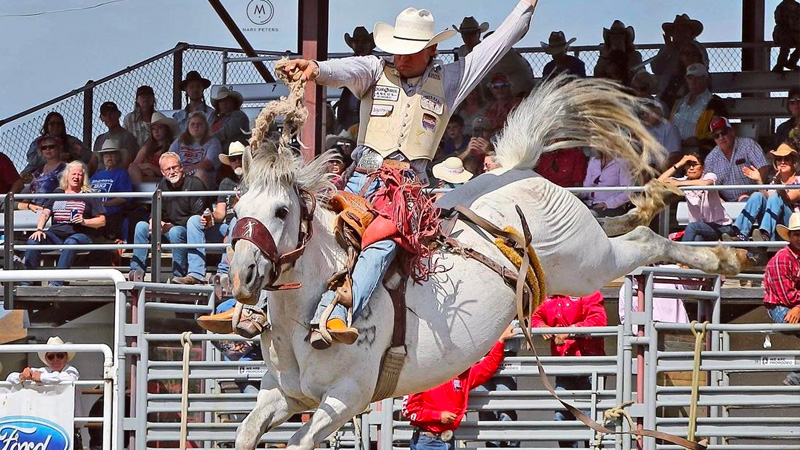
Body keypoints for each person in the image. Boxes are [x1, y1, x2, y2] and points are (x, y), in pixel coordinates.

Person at [280, 0, 538, 349]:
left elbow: (500, 42)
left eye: (410, 52)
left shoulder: (451, 79)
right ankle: (255, 307)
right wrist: (315, 67)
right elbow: (346, 69)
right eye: (397, 51)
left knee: (384, 241)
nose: (400, 58)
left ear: (431, 50)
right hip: (360, 178)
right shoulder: (374, 69)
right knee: (296, 220)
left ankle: (337, 311)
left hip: (405, 189)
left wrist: (526, 6)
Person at [402, 325, 518, 450]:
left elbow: (487, 367)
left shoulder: (461, 375)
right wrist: (438, 416)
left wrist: (500, 341)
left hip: (446, 439)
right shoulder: (423, 375)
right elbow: (409, 410)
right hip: (427, 441)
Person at [530, 291, 607, 448]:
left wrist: (571, 330)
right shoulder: (549, 295)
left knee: (590, 420)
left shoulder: (586, 288)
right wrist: (542, 327)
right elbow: (534, 316)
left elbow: (598, 319)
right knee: (562, 419)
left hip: (589, 366)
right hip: (564, 366)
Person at [21, 161, 106, 286]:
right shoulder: (58, 193)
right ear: (67, 175)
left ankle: (56, 283)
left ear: (84, 177)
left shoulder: (90, 195)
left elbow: (102, 221)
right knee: (33, 241)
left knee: (71, 243)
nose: (76, 177)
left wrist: (84, 221)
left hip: (80, 234)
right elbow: (45, 213)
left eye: (80, 175)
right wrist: (39, 230)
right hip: (56, 234)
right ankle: (25, 283)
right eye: (73, 174)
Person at [174, 142, 245, 285]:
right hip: (226, 228)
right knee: (194, 221)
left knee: (235, 221)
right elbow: (220, 212)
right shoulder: (226, 182)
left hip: (244, 229)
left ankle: (224, 272)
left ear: (246, 159)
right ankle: (195, 274)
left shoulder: (254, 181)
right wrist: (210, 217)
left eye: (240, 158)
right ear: (229, 163)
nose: (237, 162)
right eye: (233, 159)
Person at [128, 152, 207, 282]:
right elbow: (156, 211)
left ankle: (179, 275)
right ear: (163, 172)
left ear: (181, 167)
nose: (172, 172)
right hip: (167, 229)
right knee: (141, 226)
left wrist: (170, 226)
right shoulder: (162, 185)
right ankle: (136, 272)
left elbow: (197, 217)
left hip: (186, 231)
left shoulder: (195, 184)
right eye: (168, 169)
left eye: (174, 167)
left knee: (176, 231)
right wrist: (154, 220)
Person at [6, 336, 84, 448]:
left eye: (60, 355)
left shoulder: (71, 371)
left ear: (66, 357)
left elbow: (68, 379)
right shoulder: (44, 371)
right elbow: (10, 378)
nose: (56, 359)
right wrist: (22, 375)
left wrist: (40, 377)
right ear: (47, 359)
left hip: (70, 429)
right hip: (50, 427)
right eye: (51, 356)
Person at [725, 143, 800, 241]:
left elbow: (788, 199)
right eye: (779, 159)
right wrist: (759, 180)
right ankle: (740, 234)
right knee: (757, 195)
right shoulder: (774, 182)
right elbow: (768, 200)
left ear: (793, 163)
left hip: (792, 225)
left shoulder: (798, 180)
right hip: (775, 223)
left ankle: (765, 234)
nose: (782, 162)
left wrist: (778, 185)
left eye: (786, 159)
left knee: (775, 197)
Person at [658, 152, 733, 241]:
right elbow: (659, 182)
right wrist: (679, 164)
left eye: (695, 164)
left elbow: (706, 184)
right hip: (701, 229)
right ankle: (688, 254)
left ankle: (683, 254)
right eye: (688, 165)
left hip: (721, 227)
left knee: (693, 227)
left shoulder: (709, 176)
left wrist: (678, 184)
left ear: (703, 167)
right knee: (698, 238)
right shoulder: (684, 181)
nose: (691, 168)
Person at [454, 17, 534, 97]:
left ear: (478, 33)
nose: (468, 37)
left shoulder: (493, 50)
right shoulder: (462, 52)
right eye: (465, 33)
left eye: (472, 33)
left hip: (511, 92)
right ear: (462, 36)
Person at [763, 212, 800, 385]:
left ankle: (796, 377)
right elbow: (787, 296)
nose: (799, 238)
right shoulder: (783, 259)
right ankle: (796, 377)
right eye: (796, 234)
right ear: (790, 236)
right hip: (780, 308)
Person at [703, 116, 770, 202]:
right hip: (724, 203)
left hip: (752, 198)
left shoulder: (748, 145)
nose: (721, 138)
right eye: (716, 136)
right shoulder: (710, 158)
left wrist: (755, 193)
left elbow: (764, 168)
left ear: (732, 131)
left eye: (723, 133)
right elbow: (708, 184)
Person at [669, 63, 728, 157]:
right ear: (686, 80)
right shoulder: (678, 102)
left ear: (707, 80)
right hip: (675, 149)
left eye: (699, 78)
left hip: (701, 150)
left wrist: (699, 141)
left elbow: (722, 131)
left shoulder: (715, 104)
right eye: (690, 78)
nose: (694, 81)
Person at [651, 14, 708, 109]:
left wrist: (675, 53)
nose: (680, 33)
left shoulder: (697, 48)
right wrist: (667, 51)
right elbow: (656, 68)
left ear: (690, 33)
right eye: (677, 29)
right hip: (666, 95)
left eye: (684, 29)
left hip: (691, 94)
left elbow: (702, 69)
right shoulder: (665, 48)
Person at [90, 139, 133, 240]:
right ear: (102, 158)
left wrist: (103, 204)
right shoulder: (96, 176)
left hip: (111, 213)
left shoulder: (122, 174)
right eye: (106, 154)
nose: (109, 157)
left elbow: (123, 198)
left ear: (118, 157)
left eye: (112, 154)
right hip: (93, 211)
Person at [336, 26, 377, 131]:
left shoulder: (377, 63)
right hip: (348, 117)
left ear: (370, 45)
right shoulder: (347, 63)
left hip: (370, 117)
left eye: (363, 42)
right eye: (357, 42)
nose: (360, 45)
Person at [169, 112, 223, 189]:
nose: (196, 126)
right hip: (180, 174)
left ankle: (202, 200)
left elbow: (208, 163)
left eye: (199, 124)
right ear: (187, 127)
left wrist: (187, 171)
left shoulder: (213, 142)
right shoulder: (179, 141)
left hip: (200, 177)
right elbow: (169, 159)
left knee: (200, 173)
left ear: (205, 127)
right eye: (192, 124)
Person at [23, 112, 89, 174]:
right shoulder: (38, 141)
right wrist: (54, 158)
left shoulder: (71, 141)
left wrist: (73, 155)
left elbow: (87, 155)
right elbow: (31, 158)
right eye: (52, 123)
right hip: (37, 171)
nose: (55, 126)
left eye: (59, 124)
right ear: (47, 125)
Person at [17, 135, 67, 210]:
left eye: (51, 146)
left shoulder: (66, 168)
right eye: (44, 148)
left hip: (54, 208)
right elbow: (31, 190)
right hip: (35, 208)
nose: (48, 149)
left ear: (59, 148)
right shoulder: (38, 171)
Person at [128, 111, 179, 184]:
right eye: (153, 129)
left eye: (160, 128)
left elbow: (170, 172)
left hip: (162, 180)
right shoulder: (147, 147)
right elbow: (134, 165)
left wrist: (150, 167)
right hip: (144, 177)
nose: (156, 131)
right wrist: (146, 168)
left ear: (166, 129)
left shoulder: (173, 147)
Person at [89, 101, 138, 173]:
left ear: (118, 114)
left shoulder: (128, 137)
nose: (109, 117)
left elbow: (127, 163)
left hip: (116, 177)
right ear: (101, 118)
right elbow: (92, 163)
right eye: (105, 115)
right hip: (98, 178)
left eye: (112, 113)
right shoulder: (99, 139)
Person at [580, 152, 632, 217]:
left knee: (590, 215)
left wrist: (607, 204)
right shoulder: (593, 162)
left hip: (611, 207)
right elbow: (586, 188)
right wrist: (576, 195)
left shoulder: (622, 163)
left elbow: (628, 193)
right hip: (590, 203)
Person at [640, 100, 682, 168]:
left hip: (663, 169)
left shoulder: (670, 128)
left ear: (658, 113)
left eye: (648, 113)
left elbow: (674, 156)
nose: (644, 116)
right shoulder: (643, 127)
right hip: (645, 167)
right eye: (642, 113)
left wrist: (655, 170)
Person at [210, 87, 250, 154]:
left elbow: (226, 132)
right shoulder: (217, 118)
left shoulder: (239, 115)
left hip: (235, 155)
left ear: (233, 102)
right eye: (221, 101)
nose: (224, 103)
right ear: (218, 104)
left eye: (227, 100)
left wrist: (207, 138)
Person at [772, 0, 800, 72]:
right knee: (785, 43)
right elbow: (779, 21)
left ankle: (791, 62)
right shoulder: (781, 7)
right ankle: (780, 64)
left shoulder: (797, 6)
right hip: (783, 33)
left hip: (795, 33)